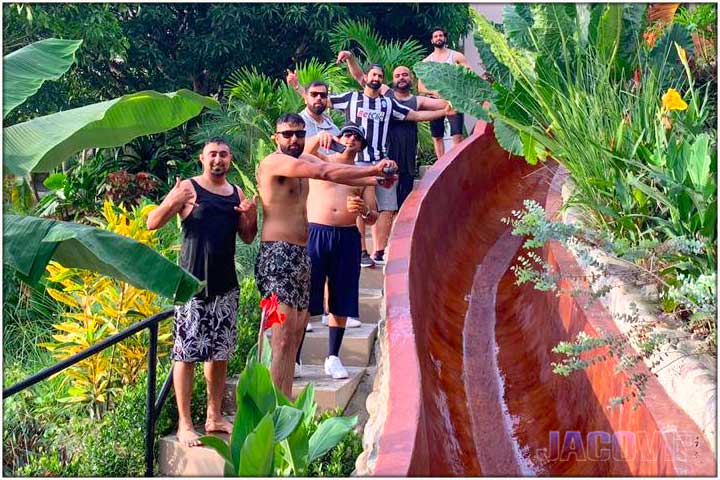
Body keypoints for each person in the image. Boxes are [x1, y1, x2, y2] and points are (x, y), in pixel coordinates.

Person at [255, 113, 397, 396]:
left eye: (298, 133)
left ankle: (283, 406)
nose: (293, 139)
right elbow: (327, 173)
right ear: (276, 138)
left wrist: (375, 175)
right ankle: (269, 407)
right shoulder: (274, 162)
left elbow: (336, 167)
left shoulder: (306, 160)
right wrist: (376, 170)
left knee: (294, 334)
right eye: (287, 134)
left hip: (300, 254)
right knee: (282, 339)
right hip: (277, 256)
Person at [146, 138, 258, 447]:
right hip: (191, 288)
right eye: (212, 155)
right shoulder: (188, 190)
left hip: (225, 286)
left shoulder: (236, 193)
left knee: (219, 354)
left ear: (230, 158)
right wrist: (172, 200)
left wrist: (250, 214)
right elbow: (152, 223)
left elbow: (248, 237)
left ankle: (214, 416)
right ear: (202, 158)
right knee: (186, 355)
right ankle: (185, 423)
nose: (218, 160)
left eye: (223, 155)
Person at [288, 61, 453, 267]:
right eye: (373, 75)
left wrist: (443, 112)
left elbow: (415, 115)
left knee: (386, 207)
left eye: (380, 76)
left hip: (380, 161)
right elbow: (318, 101)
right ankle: (362, 251)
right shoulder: (351, 98)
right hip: (355, 162)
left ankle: (379, 251)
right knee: (356, 206)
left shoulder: (388, 103)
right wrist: (297, 87)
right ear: (365, 77)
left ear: (383, 80)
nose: (376, 79)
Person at [301, 122, 379, 379]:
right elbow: (303, 154)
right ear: (339, 137)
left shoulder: (363, 175)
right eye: (346, 134)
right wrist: (318, 137)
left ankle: (333, 356)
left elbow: (373, 216)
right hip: (316, 232)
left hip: (347, 236)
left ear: (361, 145)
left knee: (342, 298)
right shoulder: (322, 162)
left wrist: (364, 212)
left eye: (356, 137)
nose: (350, 139)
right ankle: (297, 356)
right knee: (305, 297)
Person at [339, 58, 449, 209]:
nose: (401, 78)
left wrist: (457, 104)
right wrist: (350, 58)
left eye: (405, 74)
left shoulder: (416, 101)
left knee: (399, 201)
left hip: (407, 155)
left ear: (412, 78)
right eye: (397, 75)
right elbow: (361, 77)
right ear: (391, 80)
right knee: (370, 204)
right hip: (385, 155)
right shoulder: (385, 93)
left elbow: (435, 108)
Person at [418, 26, 471, 160]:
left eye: (440, 35)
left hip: (454, 101)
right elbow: (420, 86)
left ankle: (455, 162)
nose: (438, 38)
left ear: (445, 38)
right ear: (432, 40)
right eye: (435, 36)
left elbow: (470, 76)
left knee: (457, 134)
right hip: (435, 103)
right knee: (437, 136)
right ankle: (441, 163)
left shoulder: (456, 56)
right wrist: (434, 92)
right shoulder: (426, 62)